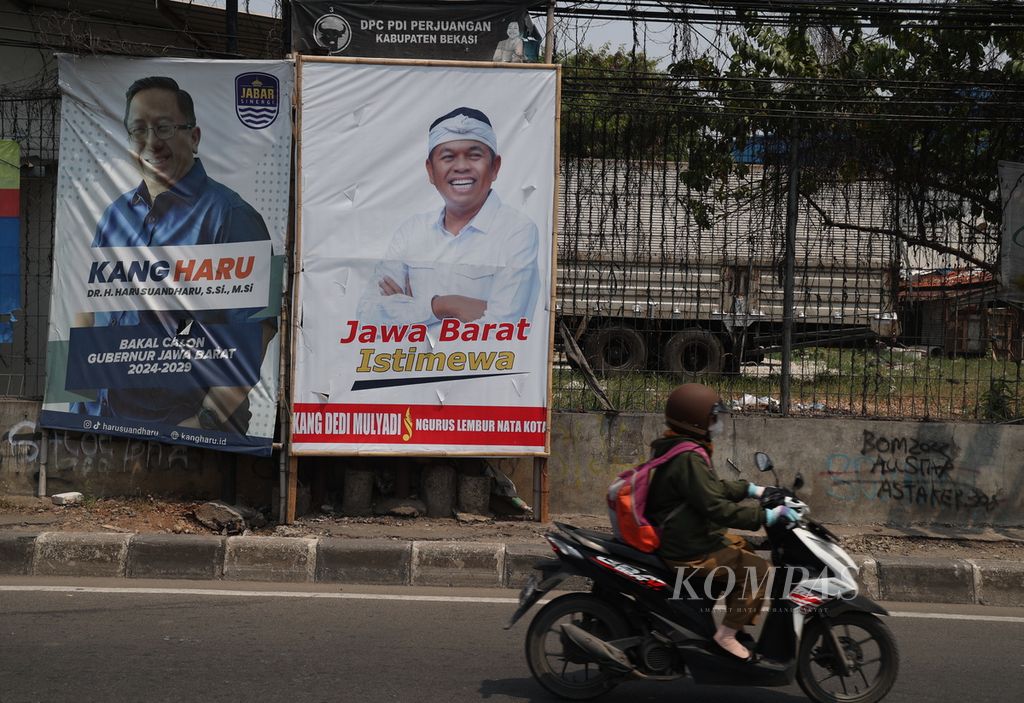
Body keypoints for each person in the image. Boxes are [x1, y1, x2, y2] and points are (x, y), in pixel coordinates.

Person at [71, 76, 276, 433]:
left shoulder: (233, 216)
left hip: (189, 435)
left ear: (194, 137)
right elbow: (86, 312)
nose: (152, 142)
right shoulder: (114, 216)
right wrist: (81, 405)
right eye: (138, 129)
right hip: (106, 425)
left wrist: (203, 422)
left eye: (164, 127)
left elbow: (258, 333)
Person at [645, 383, 800, 662]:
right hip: (689, 548)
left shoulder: (683, 448)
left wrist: (753, 489)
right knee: (759, 570)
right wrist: (765, 516)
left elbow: (712, 488)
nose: (717, 424)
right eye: (713, 418)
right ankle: (726, 636)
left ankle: (734, 625)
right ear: (695, 420)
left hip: (691, 535)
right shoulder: (688, 457)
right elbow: (717, 507)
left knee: (744, 549)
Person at [357, 106, 539, 326]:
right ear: (431, 171)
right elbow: (368, 316)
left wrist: (407, 309)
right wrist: (445, 305)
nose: (461, 167)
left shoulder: (517, 231)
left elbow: (505, 323)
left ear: (495, 167)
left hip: (485, 362)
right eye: (448, 157)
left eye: (474, 156)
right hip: (410, 362)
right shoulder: (412, 231)